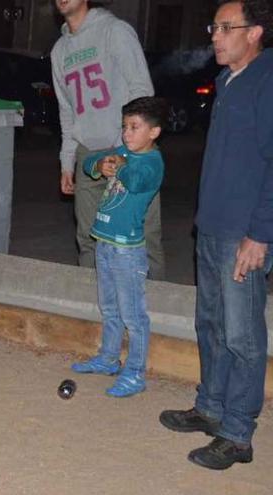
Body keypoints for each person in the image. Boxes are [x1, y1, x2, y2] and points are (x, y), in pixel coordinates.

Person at [160, 0, 273, 471]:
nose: (215, 36)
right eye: (214, 27)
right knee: (211, 325)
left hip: (244, 234)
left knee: (243, 334)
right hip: (212, 227)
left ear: (256, 33)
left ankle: (237, 433)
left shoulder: (268, 82)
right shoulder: (228, 80)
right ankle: (210, 407)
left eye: (227, 28)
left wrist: (261, 234)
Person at [51, 0, 165, 280]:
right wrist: (67, 162)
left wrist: (125, 148)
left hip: (128, 149)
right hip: (87, 154)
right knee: (89, 237)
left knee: (143, 236)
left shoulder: (114, 31)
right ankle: (94, 309)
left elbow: (142, 91)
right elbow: (67, 111)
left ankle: (155, 312)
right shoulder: (59, 50)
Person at [69, 97, 167, 398]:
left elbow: (137, 182)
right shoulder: (123, 151)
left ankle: (135, 372)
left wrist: (119, 165)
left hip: (127, 250)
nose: (126, 134)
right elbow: (88, 163)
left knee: (133, 316)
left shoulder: (152, 162)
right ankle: (109, 359)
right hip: (105, 243)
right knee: (109, 308)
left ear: (154, 132)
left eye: (135, 127)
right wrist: (101, 163)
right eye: (125, 127)